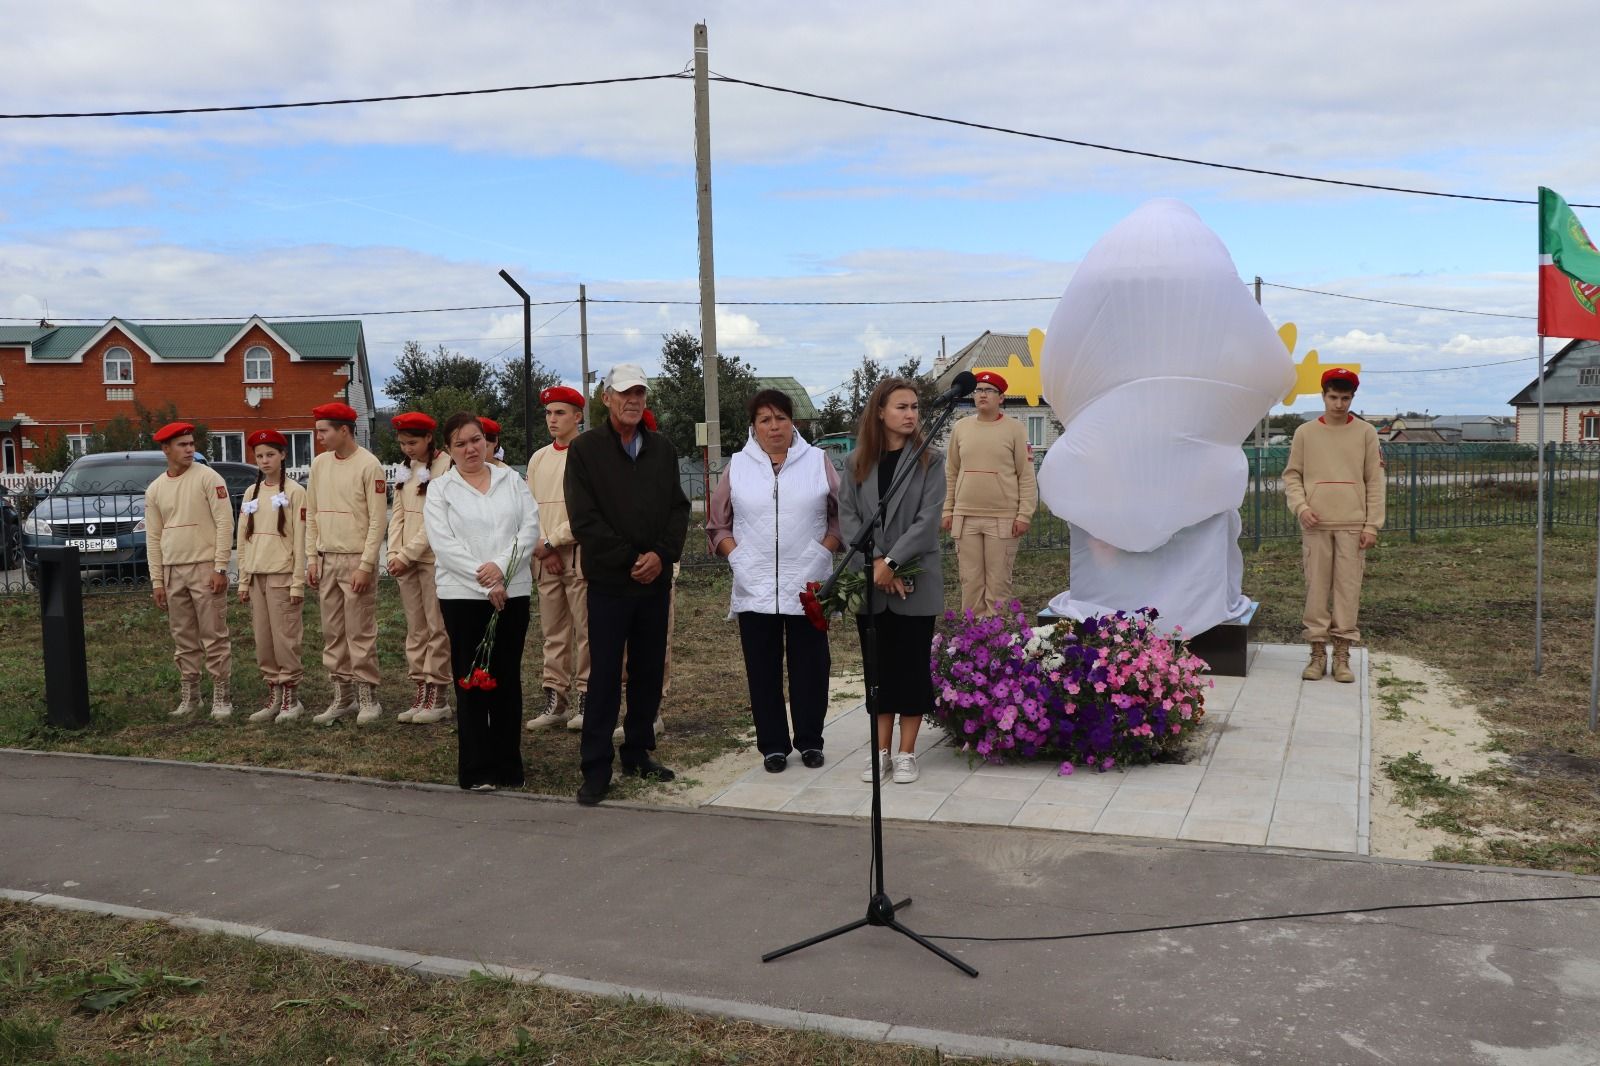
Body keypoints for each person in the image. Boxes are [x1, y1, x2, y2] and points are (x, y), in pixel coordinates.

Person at [565, 363, 690, 806]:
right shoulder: (584, 450)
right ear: (607, 399)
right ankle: (596, 767)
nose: (633, 400)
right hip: (609, 585)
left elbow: (678, 509)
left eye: (639, 393)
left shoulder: (662, 449)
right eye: (624, 394)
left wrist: (661, 555)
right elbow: (584, 519)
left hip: (653, 584)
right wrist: (630, 559)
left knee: (648, 672)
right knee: (602, 677)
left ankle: (637, 752)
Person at [707, 388, 841, 772]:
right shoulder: (739, 465)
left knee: (812, 667)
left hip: (809, 583)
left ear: (792, 422)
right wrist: (739, 558)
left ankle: (811, 741)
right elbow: (718, 522)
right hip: (755, 584)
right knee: (762, 668)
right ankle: (773, 745)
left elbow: (841, 515)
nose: (774, 426)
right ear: (754, 426)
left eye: (781, 417)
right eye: (765, 419)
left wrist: (823, 551)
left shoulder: (817, 461)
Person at [839, 377, 947, 785]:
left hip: (916, 582)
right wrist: (878, 565)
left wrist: (895, 562)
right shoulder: (856, 463)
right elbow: (849, 517)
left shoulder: (929, 460)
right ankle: (880, 752)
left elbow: (928, 520)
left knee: (912, 669)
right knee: (877, 670)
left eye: (915, 407)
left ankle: (906, 753)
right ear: (880, 412)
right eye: (901, 407)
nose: (910, 414)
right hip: (872, 581)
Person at [424, 412, 538, 790]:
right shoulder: (441, 490)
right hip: (462, 597)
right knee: (471, 681)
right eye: (461, 444)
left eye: (476, 440)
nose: (471, 449)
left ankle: (509, 766)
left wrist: (501, 571)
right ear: (448, 450)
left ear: (486, 441)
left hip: (512, 592)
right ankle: (476, 769)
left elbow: (529, 527)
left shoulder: (512, 481)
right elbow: (444, 544)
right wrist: (485, 580)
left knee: (507, 680)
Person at [1283, 367, 1385, 684]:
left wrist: (1372, 525)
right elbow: (1292, 476)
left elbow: (1375, 481)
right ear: (1323, 396)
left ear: (1352, 398)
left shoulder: (1366, 433)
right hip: (1316, 523)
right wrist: (1301, 507)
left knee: (1347, 590)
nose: (1338, 404)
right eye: (1333, 397)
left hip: (1353, 525)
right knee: (1316, 589)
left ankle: (1342, 656)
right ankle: (1317, 655)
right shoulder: (1305, 433)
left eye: (1345, 398)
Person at [304, 401, 388, 724]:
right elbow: (311, 514)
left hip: (355, 560)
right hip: (327, 559)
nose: (319, 438)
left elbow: (377, 522)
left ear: (344, 430)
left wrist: (366, 565)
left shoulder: (369, 466)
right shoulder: (319, 465)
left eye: (323, 431)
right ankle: (343, 695)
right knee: (333, 632)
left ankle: (369, 697)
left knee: (360, 630)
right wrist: (312, 558)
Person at [145, 421, 234, 718]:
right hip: (173, 571)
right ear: (166, 449)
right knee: (182, 637)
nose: (189, 449)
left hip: (205, 567)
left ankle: (221, 696)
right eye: (182, 445)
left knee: (214, 633)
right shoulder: (156, 488)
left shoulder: (209, 477)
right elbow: (153, 536)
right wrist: (157, 580)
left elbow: (225, 523)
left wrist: (220, 567)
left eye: (191, 444)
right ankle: (191, 695)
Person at [940, 369, 1037, 617]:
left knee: (998, 583)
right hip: (965, 516)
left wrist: (1024, 514)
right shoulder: (961, 428)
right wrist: (948, 509)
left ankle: (996, 642)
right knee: (970, 582)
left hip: (1003, 518)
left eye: (989, 391)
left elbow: (1025, 475)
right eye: (979, 391)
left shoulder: (1015, 429)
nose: (982, 395)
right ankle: (970, 642)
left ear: (1001, 397)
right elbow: (951, 472)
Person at [525, 386, 590, 732]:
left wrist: (554, 541)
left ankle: (586, 697)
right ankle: (555, 698)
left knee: (585, 633)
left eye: (560, 413)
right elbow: (528, 506)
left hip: (576, 556)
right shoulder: (538, 458)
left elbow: (587, 511)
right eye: (549, 413)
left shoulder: (588, 453)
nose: (552, 419)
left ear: (577, 416)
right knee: (553, 633)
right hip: (545, 557)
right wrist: (541, 545)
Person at [235, 430, 308, 723]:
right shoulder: (252, 493)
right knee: (263, 639)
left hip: (282, 576)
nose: (265, 461)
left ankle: (292, 696)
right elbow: (242, 537)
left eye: (270, 454)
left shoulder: (295, 492)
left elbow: (301, 539)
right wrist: (242, 579)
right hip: (256, 576)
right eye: (260, 456)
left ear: (283, 455)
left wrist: (298, 581)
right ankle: (274, 692)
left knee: (285, 638)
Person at [387, 412, 454, 724]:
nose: (407, 449)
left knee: (436, 626)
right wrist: (393, 552)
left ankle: (437, 692)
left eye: (412, 442)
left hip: (433, 559)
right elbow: (398, 512)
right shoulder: (405, 469)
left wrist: (408, 553)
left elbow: (435, 520)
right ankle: (420, 687)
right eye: (402, 443)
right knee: (416, 628)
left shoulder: (446, 466)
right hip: (406, 560)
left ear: (429, 438)